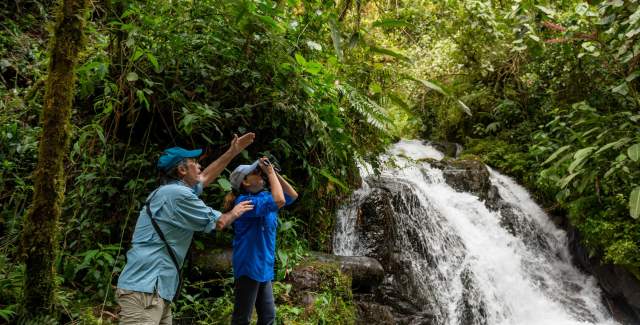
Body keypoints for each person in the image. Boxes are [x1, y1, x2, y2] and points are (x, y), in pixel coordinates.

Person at [116, 133, 256, 325]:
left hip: (157, 290)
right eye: (194, 162)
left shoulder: (169, 191)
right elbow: (220, 222)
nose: (199, 166)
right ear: (182, 170)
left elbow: (205, 177)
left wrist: (232, 152)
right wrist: (236, 212)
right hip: (145, 290)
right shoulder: (177, 195)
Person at [224, 157, 298, 325]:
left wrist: (274, 173)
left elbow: (292, 195)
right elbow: (280, 200)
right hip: (249, 265)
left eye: (260, 172)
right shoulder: (244, 202)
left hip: (264, 266)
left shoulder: (265, 196)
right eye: (255, 173)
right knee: (242, 319)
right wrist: (270, 172)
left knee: (268, 317)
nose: (260, 174)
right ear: (245, 183)